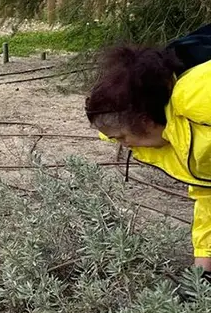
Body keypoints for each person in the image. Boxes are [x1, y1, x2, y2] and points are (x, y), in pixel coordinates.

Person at [85, 43, 211, 271]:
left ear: (145, 120)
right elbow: (208, 195)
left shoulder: (196, 95)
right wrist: (203, 272)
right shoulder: (173, 139)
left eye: (122, 136)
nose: (124, 145)